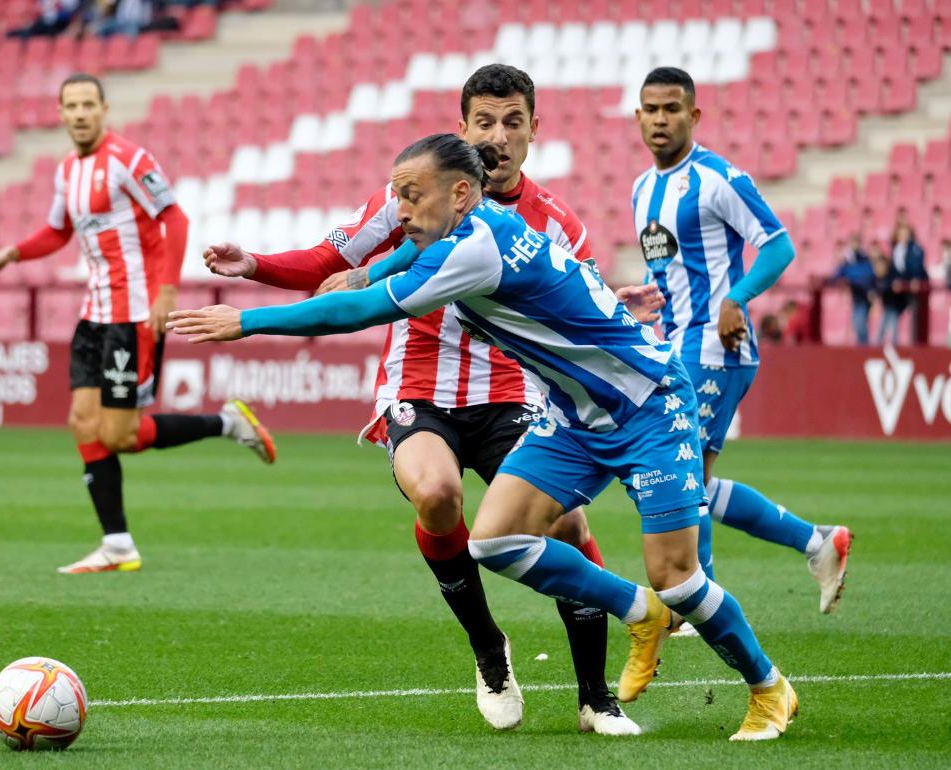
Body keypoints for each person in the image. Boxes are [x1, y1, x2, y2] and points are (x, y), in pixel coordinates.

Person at [169, 134, 798, 742]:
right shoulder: (468, 230)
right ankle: (640, 612)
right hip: (574, 418)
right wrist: (361, 271)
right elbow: (398, 261)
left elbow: (358, 314)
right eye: (398, 195)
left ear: (463, 193)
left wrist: (245, 321)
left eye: (412, 195)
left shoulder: (473, 250)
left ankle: (768, 688)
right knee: (495, 541)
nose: (402, 209)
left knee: (679, 577)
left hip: (647, 407)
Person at [202, 64, 660, 735]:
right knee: (438, 495)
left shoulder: (557, 220)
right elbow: (331, 261)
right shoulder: (412, 199)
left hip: (513, 387)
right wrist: (257, 267)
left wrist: (615, 313)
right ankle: (488, 647)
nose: (498, 136)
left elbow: (578, 303)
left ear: (535, 129)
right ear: (462, 129)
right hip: (420, 385)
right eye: (484, 122)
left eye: (512, 122)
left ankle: (594, 696)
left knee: (564, 525)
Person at [0, 73, 275, 574]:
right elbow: (57, 231)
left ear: (103, 109)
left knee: (118, 434)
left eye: (87, 104)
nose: (79, 113)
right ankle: (116, 544)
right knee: (81, 421)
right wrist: (13, 253)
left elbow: (174, 218)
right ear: (60, 112)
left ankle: (226, 423)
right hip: (93, 314)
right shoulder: (67, 171)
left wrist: (166, 290)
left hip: (134, 314)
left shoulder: (128, 159)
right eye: (70, 105)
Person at [631, 67, 852, 615]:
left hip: (715, 345)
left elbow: (777, 247)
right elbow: (671, 271)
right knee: (688, 479)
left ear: (693, 115)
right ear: (638, 117)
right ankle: (818, 542)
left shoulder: (717, 178)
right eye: (651, 109)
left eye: (672, 109)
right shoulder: (641, 188)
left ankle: (693, 597)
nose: (661, 119)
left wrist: (737, 298)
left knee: (680, 475)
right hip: (677, 342)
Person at [889, 222, 928, 344]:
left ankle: (915, 344)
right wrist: (894, 280)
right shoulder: (896, 250)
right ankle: (892, 343)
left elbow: (917, 266)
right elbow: (893, 269)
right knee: (891, 312)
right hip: (899, 291)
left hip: (913, 289)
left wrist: (915, 279)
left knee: (915, 315)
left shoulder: (915, 249)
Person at [833, 235, 874, 345]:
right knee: (857, 324)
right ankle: (862, 347)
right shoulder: (848, 261)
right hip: (856, 298)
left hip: (864, 297)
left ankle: (864, 349)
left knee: (860, 324)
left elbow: (866, 277)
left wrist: (852, 278)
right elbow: (836, 275)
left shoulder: (865, 260)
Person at [873, 240, 905, 344]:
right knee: (883, 327)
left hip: (893, 307)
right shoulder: (877, 279)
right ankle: (877, 347)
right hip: (887, 307)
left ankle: (893, 346)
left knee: (892, 327)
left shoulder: (892, 274)